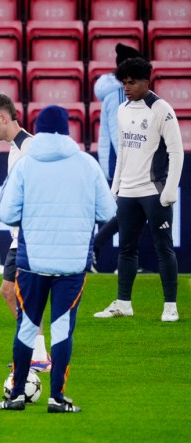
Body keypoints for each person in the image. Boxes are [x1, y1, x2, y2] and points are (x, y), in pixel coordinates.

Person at [0, 106, 117, 412]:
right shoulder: (87, 165)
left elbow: (6, 213)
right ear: (66, 130)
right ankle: (57, 398)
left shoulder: (25, 165)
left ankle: (17, 395)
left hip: (32, 262)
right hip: (72, 264)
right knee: (63, 329)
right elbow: (108, 213)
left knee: (26, 327)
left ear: (38, 129)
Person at [94, 57, 184, 322]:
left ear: (146, 81)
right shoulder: (122, 109)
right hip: (129, 191)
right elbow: (122, 150)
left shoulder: (161, 109)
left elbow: (176, 152)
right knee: (126, 248)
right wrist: (116, 185)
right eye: (124, 82)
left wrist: (170, 189)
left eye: (132, 82)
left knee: (163, 248)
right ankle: (123, 303)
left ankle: (170, 306)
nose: (127, 87)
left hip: (154, 189)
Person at [0, 93, 51, 372]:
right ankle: (37, 352)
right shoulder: (15, 148)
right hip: (18, 236)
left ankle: (39, 356)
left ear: (3, 117)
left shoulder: (32, 148)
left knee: (24, 293)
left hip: (32, 234)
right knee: (9, 290)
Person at [91, 43, 143, 269]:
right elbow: (119, 131)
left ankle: (100, 250)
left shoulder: (116, 91)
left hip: (116, 161)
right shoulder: (122, 91)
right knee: (129, 213)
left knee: (128, 213)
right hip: (123, 162)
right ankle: (95, 247)